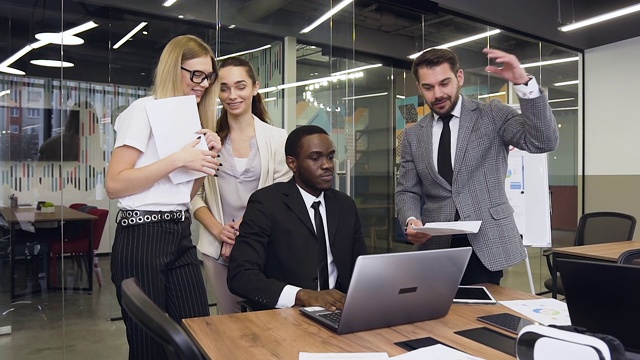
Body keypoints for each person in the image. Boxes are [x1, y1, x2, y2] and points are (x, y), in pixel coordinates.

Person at [396, 47, 559, 286]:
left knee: (482, 316)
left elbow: (543, 141)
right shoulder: (413, 136)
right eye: (428, 88)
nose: (438, 94)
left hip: (486, 242)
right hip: (436, 245)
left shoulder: (491, 114)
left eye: (445, 83)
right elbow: (407, 190)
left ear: (459, 77)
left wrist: (524, 85)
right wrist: (411, 220)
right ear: (420, 88)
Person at [105, 35, 222, 360]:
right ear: (174, 68)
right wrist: (177, 159)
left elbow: (187, 192)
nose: (202, 83)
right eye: (194, 74)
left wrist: (206, 159)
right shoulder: (143, 110)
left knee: (198, 338)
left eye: (208, 76)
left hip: (181, 235)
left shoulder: (191, 121)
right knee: (149, 349)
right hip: (140, 238)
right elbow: (115, 184)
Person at [227, 125, 367, 311]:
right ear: (292, 163)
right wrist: (302, 295)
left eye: (330, 156)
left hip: (341, 311)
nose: (327, 165)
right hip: (288, 315)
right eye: (315, 158)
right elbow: (240, 276)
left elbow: (362, 268)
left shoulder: (345, 206)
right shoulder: (266, 204)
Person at [191, 56, 291, 315]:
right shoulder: (206, 136)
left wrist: (241, 233)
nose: (232, 95)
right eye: (224, 88)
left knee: (266, 322)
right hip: (216, 249)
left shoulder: (278, 139)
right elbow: (193, 195)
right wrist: (218, 231)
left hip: (265, 247)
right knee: (229, 323)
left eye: (240, 86)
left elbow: (279, 195)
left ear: (255, 87)